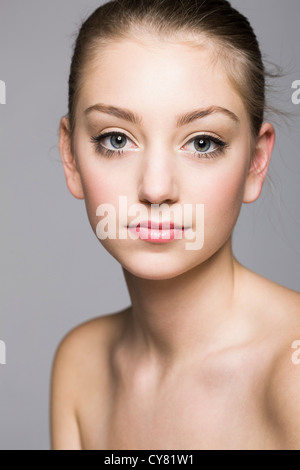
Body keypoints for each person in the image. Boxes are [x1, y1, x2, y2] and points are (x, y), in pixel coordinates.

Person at [51, 0, 300, 450]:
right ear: (71, 157)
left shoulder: (292, 378)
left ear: (255, 162)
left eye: (203, 142)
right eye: (116, 139)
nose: (156, 188)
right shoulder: (80, 364)